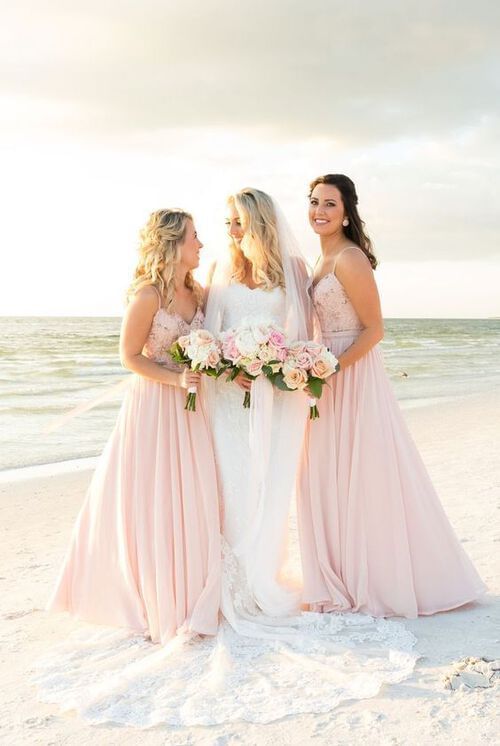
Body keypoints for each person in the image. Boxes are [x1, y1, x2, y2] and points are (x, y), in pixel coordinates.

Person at [298, 173, 487, 618]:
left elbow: (375, 329)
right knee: (326, 474)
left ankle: (380, 576)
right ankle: (338, 571)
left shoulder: (349, 258)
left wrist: (332, 367)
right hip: (322, 375)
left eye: (330, 204)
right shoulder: (317, 261)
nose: (319, 211)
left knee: (364, 472)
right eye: (314, 202)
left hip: (351, 373)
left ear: (347, 212)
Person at [47, 208, 221, 644]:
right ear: (173, 244)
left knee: (192, 496)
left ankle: (194, 584)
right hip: (154, 406)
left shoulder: (197, 293)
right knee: (155, 497)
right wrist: (177, 378)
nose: (201, 244)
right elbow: (130, 357)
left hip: (192, 408)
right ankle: (153, 594)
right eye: (194, 237)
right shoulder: (147, 295)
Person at [204, 187, 312, 631]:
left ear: (258, 223)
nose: (230, 230)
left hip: (277, 395)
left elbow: (302, 332)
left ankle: (262, 576)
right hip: (229, 395)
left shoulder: (292, 271)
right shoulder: (219, 269)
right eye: (227, 221)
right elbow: (210, 333)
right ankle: (231, 584)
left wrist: (280, 366)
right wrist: (229, 371)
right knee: (234, 483)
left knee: (270, 482)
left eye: (237, 222)